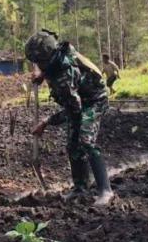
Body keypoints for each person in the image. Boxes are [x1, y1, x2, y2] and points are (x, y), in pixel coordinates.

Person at [25, 30, 114, 206]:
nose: (38, 65)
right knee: (72, 145)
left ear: (47, 59)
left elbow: (74, 110)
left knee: (85, 141)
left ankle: (106, 191)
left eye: (40, 62)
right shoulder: (58, 53)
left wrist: (46, 122)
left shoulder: (64, 77)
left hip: (94, 100)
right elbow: (52, 67)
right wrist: (42, 75)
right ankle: (80, 188)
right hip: (80, 98)